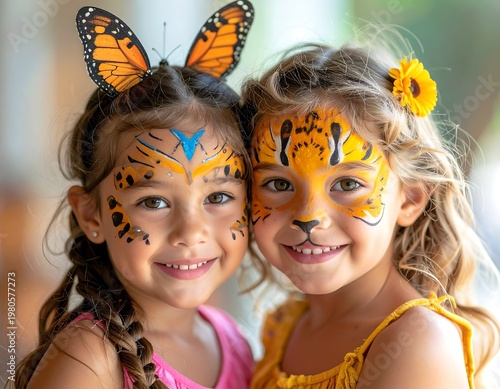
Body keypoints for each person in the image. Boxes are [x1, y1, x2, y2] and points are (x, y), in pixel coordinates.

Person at [14, 4, 255, 389]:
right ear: (92, 216)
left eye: (218, 197)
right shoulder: (87, 359)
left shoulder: (234, 340)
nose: (191, 232)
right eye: (154, 202)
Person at [241, 32, 500, 388]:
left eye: (347, 185)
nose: (307, 216)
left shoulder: (416, 342)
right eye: (279, 184)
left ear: (409, 199)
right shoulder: (286, 324)